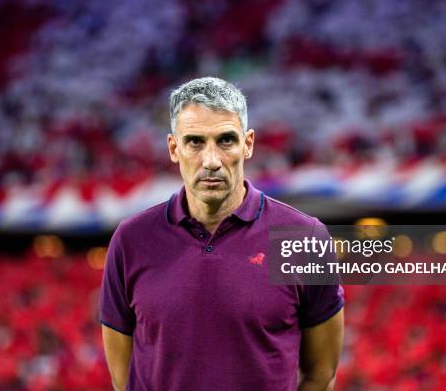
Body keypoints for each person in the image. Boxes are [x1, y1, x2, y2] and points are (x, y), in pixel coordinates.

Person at [100, 77, 344, 391]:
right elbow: (125, 380)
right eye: (195, 142)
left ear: (248, 143)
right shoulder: (130, 240)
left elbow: (321, 374)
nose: (212, 160)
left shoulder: (304, 238)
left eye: (226, 140)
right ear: (174, 148)